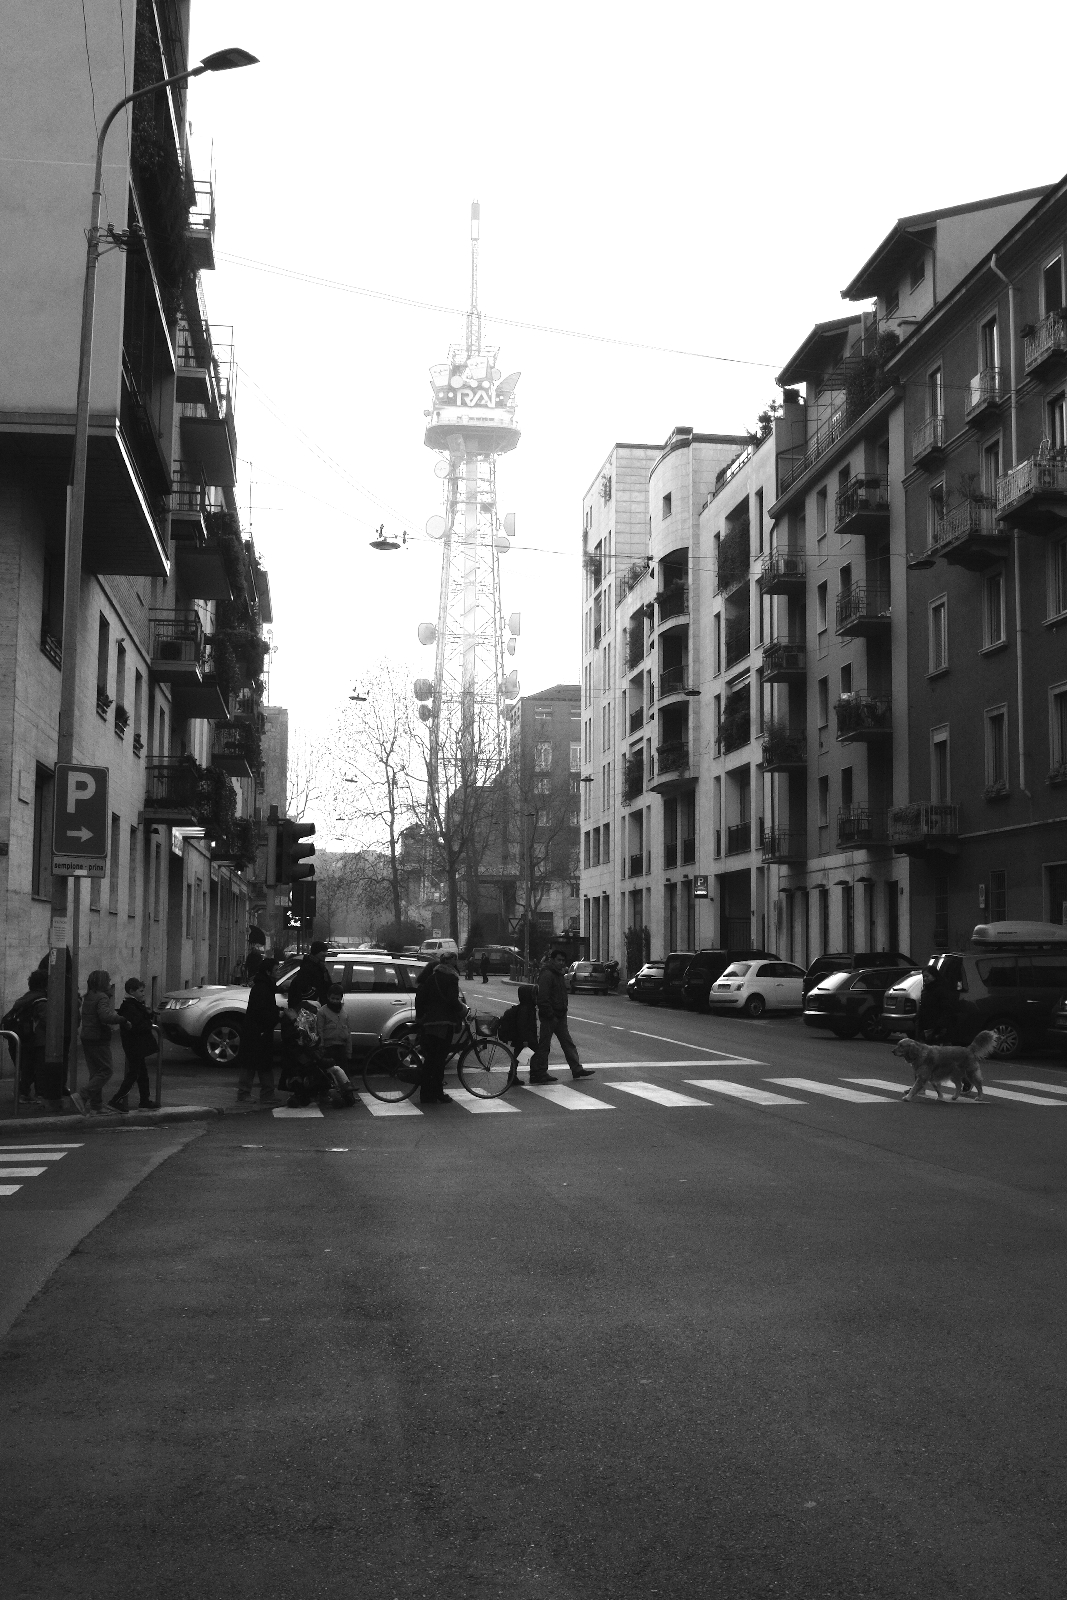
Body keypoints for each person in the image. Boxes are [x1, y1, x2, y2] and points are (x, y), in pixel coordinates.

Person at [529, 948, 595, 1085]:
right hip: (550, 1016)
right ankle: (540, 1072)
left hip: (560, 1015)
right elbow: (543, 998)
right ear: (552, 960)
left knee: (567, 1043)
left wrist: (563, 1010)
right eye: (558, 960)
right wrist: (550, 1014)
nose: (561, 963)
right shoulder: (547, 974)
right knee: (544, 1046)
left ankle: (576, 1068)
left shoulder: (559, 974)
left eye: (563, 960)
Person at [414, 951, 464, 1104]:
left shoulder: (432, 977)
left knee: (430, 1059)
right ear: (451, 962)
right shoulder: (451, 978)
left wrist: (423, 1016)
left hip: (430, 1023)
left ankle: (426, 1094)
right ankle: (438, 1092)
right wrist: (462, 1010)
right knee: (440, 1059)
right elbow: (452, 1000)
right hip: (444, 1023)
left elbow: (421, 999)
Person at [78, 971, 128, 1114]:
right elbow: (105, 1016)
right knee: (106, 1070)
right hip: (99, 1038)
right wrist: (122, 1019)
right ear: (102, 983)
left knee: (95, 1073)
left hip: (87, 1037)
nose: (110, 983)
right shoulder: (102, 997)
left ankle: (96, 1106)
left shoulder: (89, 996)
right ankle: (83, 1095)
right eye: (108, 981)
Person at [110, 978, 160, 1112]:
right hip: (134, 1045)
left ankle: (144, 1100)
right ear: (132, 991)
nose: (143, 994)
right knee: (134, 1074)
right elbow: (137, 1025)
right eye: (141, 991)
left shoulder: (134, 1004)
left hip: (136, 1045)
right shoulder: (130, 1006)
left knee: (141, 1074)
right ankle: (116, 1100)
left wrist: (148, 1014)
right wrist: (148, 1022)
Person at [237, 956, 280, 1105]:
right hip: (257, 1031)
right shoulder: (263, 988)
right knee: (253, 1063)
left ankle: (266, 1093)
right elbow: (262, 1012)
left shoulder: (264, 986)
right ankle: (247, 1093)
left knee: (262, 1062)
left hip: (259, 1030)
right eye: (276, 970)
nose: (278, 972)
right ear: (268, 972)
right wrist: (278, 1015)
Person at [2, 970, 48, 1104]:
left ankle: (22, 1093)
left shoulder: (24, 998)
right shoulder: (41, 1000)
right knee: (39, 1068)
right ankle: (38, 1094)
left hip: (22, 1038)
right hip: (37, 1039)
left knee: (27, 1068)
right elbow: (47, 1020)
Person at [496, 983, 538, 1086]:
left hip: (521, 1037)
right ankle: (517, 1075)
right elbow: (523, 1025)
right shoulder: (526, 1009)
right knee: (525, 1053)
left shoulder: (526, 1007)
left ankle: (513, 1075)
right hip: (523, 1038)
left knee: (520, 1056)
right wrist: (525, 1040)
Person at [316, 984, 351, 1069]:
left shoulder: (344, 1013)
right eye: (333, 998)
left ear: (341, 998)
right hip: (328, 1047)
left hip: (341, 1047)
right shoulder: (322, 1012)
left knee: (343, 1071)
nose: (335, 1001)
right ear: (328, 997)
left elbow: (348, 1032)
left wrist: (349, 1051)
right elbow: (320, 1030)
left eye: (337, 999)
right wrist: (321, 1046)